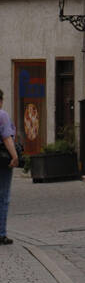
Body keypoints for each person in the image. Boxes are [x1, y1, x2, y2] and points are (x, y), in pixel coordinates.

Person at [0, 89, 19, 244]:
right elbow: (7, 138)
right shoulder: (2, 115)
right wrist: (15, 156)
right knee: (3, 196)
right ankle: (1, 233)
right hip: (2, 161)